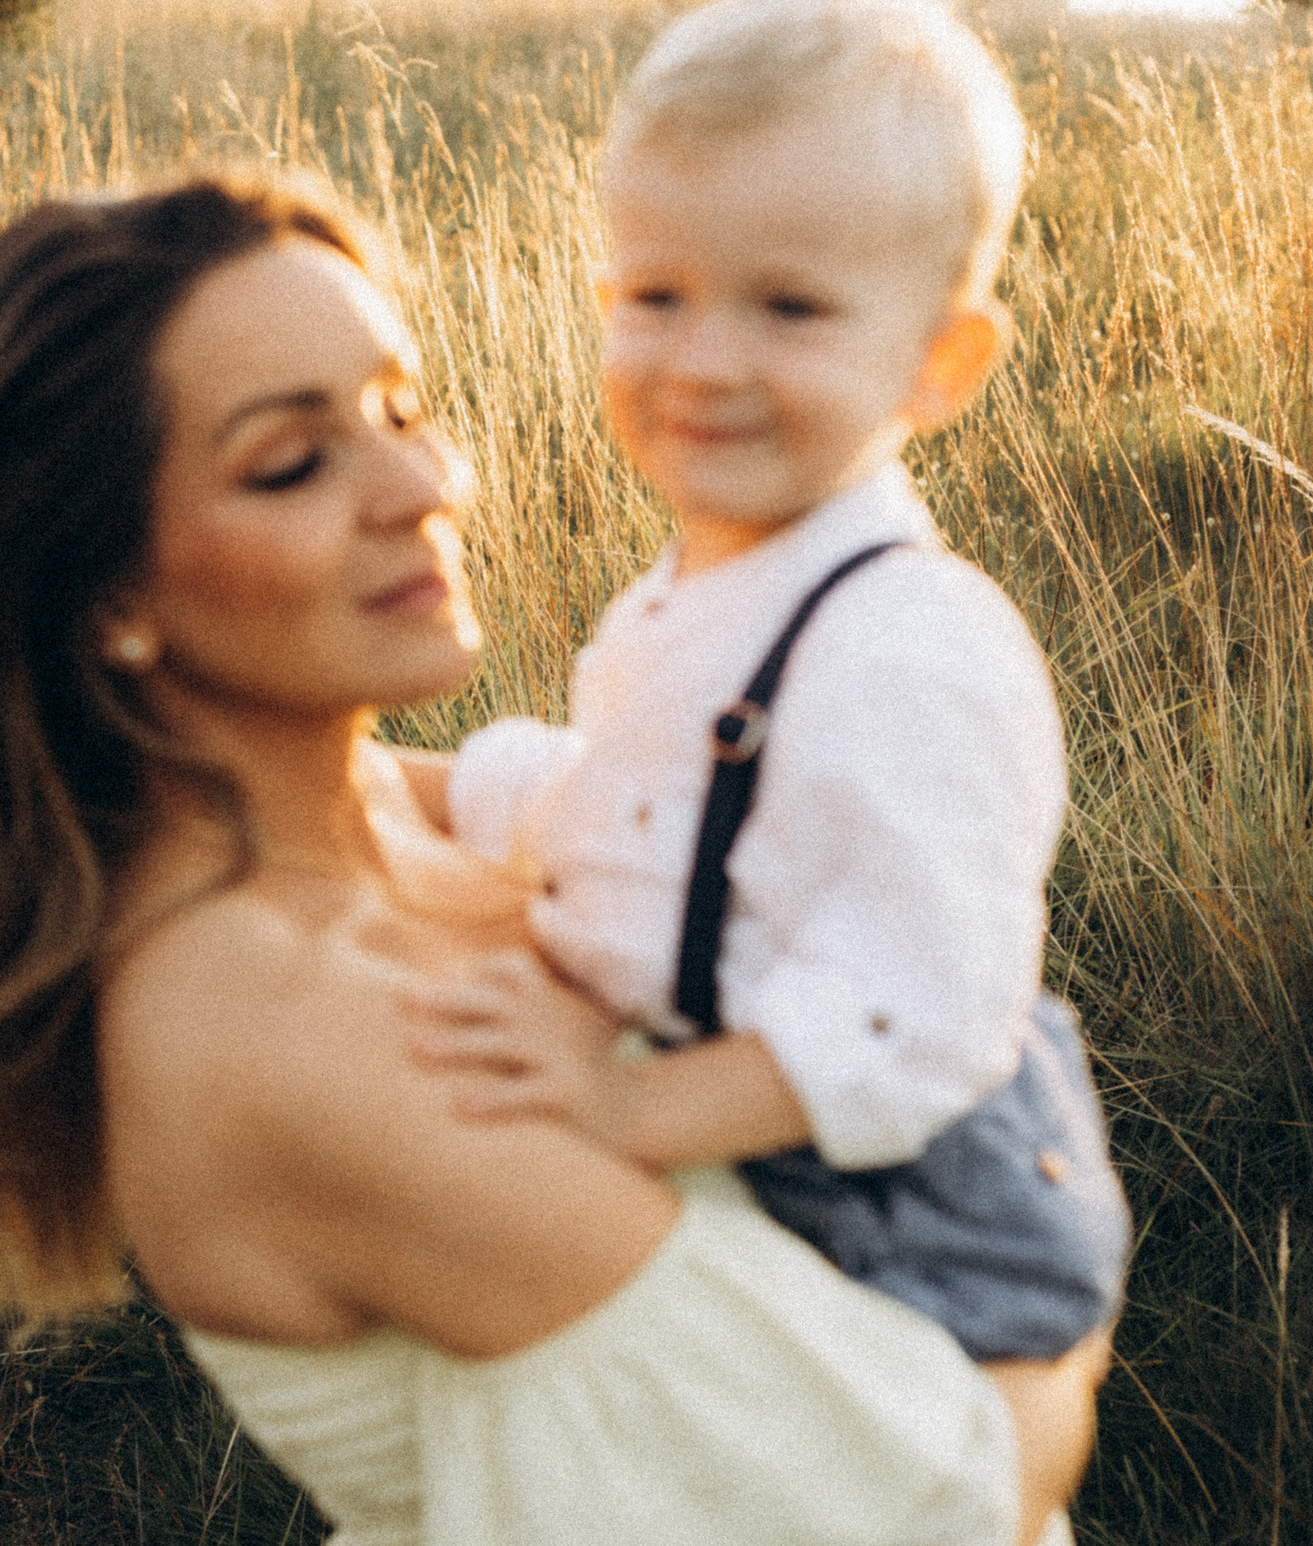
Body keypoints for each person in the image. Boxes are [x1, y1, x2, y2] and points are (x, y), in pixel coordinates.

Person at [0, 175, 1111, 1546]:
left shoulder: (414, 815)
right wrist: (1069, 1320)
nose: (420, 483)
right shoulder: (281, 1014)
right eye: (291, 462)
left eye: (402, 404)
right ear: (111, 589)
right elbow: (926, 1518)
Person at [415, 0, 1130, 1374]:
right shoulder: (713, 591)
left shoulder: (916, 643)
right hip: (742, 1138)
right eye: (655, 296)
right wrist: (411, 784)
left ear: (939, 362)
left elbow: (918, 1013)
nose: (704, 361)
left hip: (889, 1226)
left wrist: (626, 1113)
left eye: (789, 306)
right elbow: (639, 818)